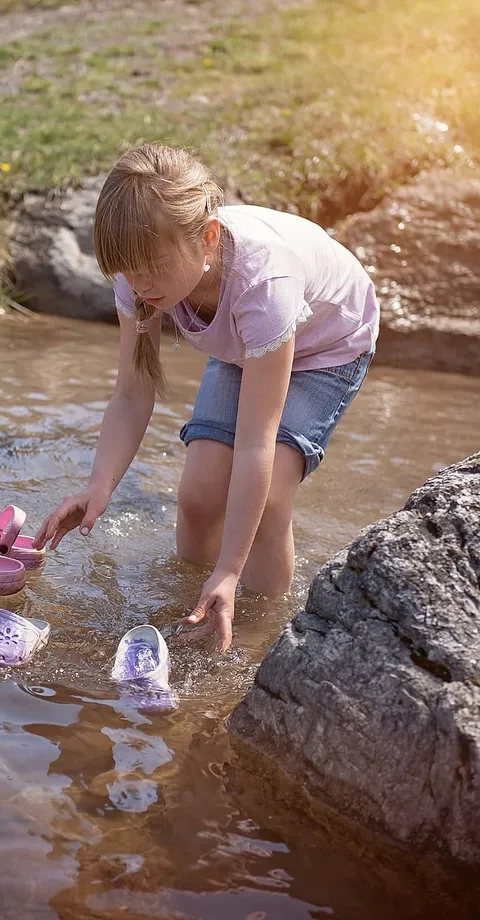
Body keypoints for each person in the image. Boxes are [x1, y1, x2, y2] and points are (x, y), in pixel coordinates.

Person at [32, 143, 379, 652]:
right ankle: (192, 613)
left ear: (208, 237)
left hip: (327, 344)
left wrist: (230, 569)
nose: (140, 284)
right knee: (197, 495)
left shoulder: (263, 284)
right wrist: (99, 486)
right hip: (245, 342)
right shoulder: (142, 278)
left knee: (271, 497)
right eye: (128, 270)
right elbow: (132, 391)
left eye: (151, 267)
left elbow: (256, 444)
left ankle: (257, 638)